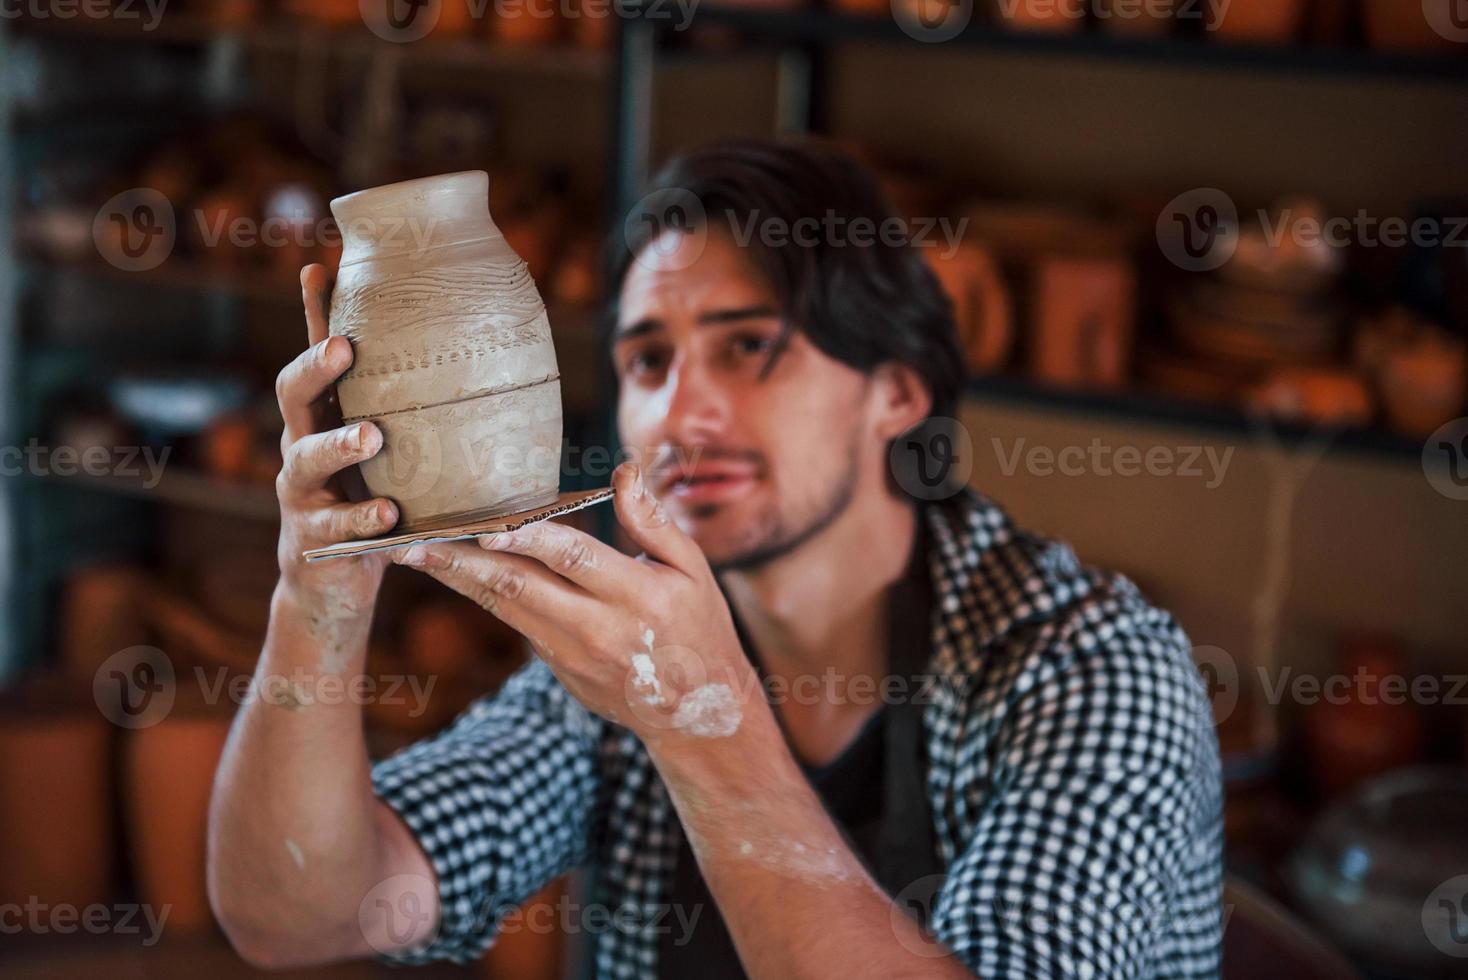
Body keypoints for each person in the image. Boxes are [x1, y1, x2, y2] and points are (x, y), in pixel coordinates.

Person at [208, 138, 1223, 978]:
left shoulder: (1092, 665)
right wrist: (316, 602)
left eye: (748, 347)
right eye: (649, 360)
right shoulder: (621, 651)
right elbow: (299, 916)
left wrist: (705, 722)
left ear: (898, 391)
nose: (678, 413)